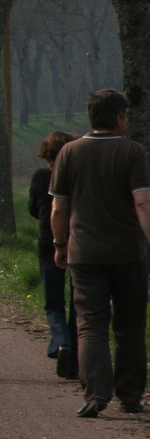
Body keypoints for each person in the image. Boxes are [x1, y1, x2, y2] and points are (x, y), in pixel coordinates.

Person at [49, 88, 150, 417]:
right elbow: (143, 203)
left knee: (90, 324)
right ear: (119, 118)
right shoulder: (132, 152)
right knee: (130, 326)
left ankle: (95, 393)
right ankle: (131, 396)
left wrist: (60, 245)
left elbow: (59, 208)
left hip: (84, 253)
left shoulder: (68, 153)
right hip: (128, 253)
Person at [30, 131, 78, 379]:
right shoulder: (78, 178)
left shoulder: (41, 177)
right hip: (79, 244)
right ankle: (76, 361)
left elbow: (33, 209)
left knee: (53, 302)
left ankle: (61, 342)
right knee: (77, 303)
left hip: (47, 243)